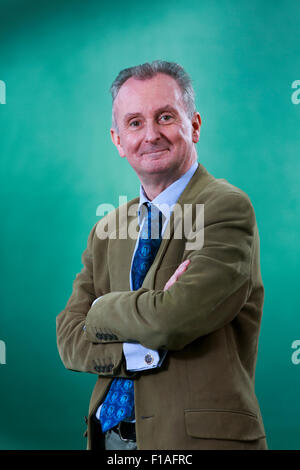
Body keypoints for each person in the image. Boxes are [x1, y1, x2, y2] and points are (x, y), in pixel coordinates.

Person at [56, 60, 268, 450]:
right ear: (118, 140)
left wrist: (101, 309)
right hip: (109, 440)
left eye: (165, 117)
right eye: (134, 123)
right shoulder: (108, 228)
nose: (150, 134)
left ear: (195, 125)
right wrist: (146, 326)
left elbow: (174, 320)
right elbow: (69, 338)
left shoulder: (226, 207)